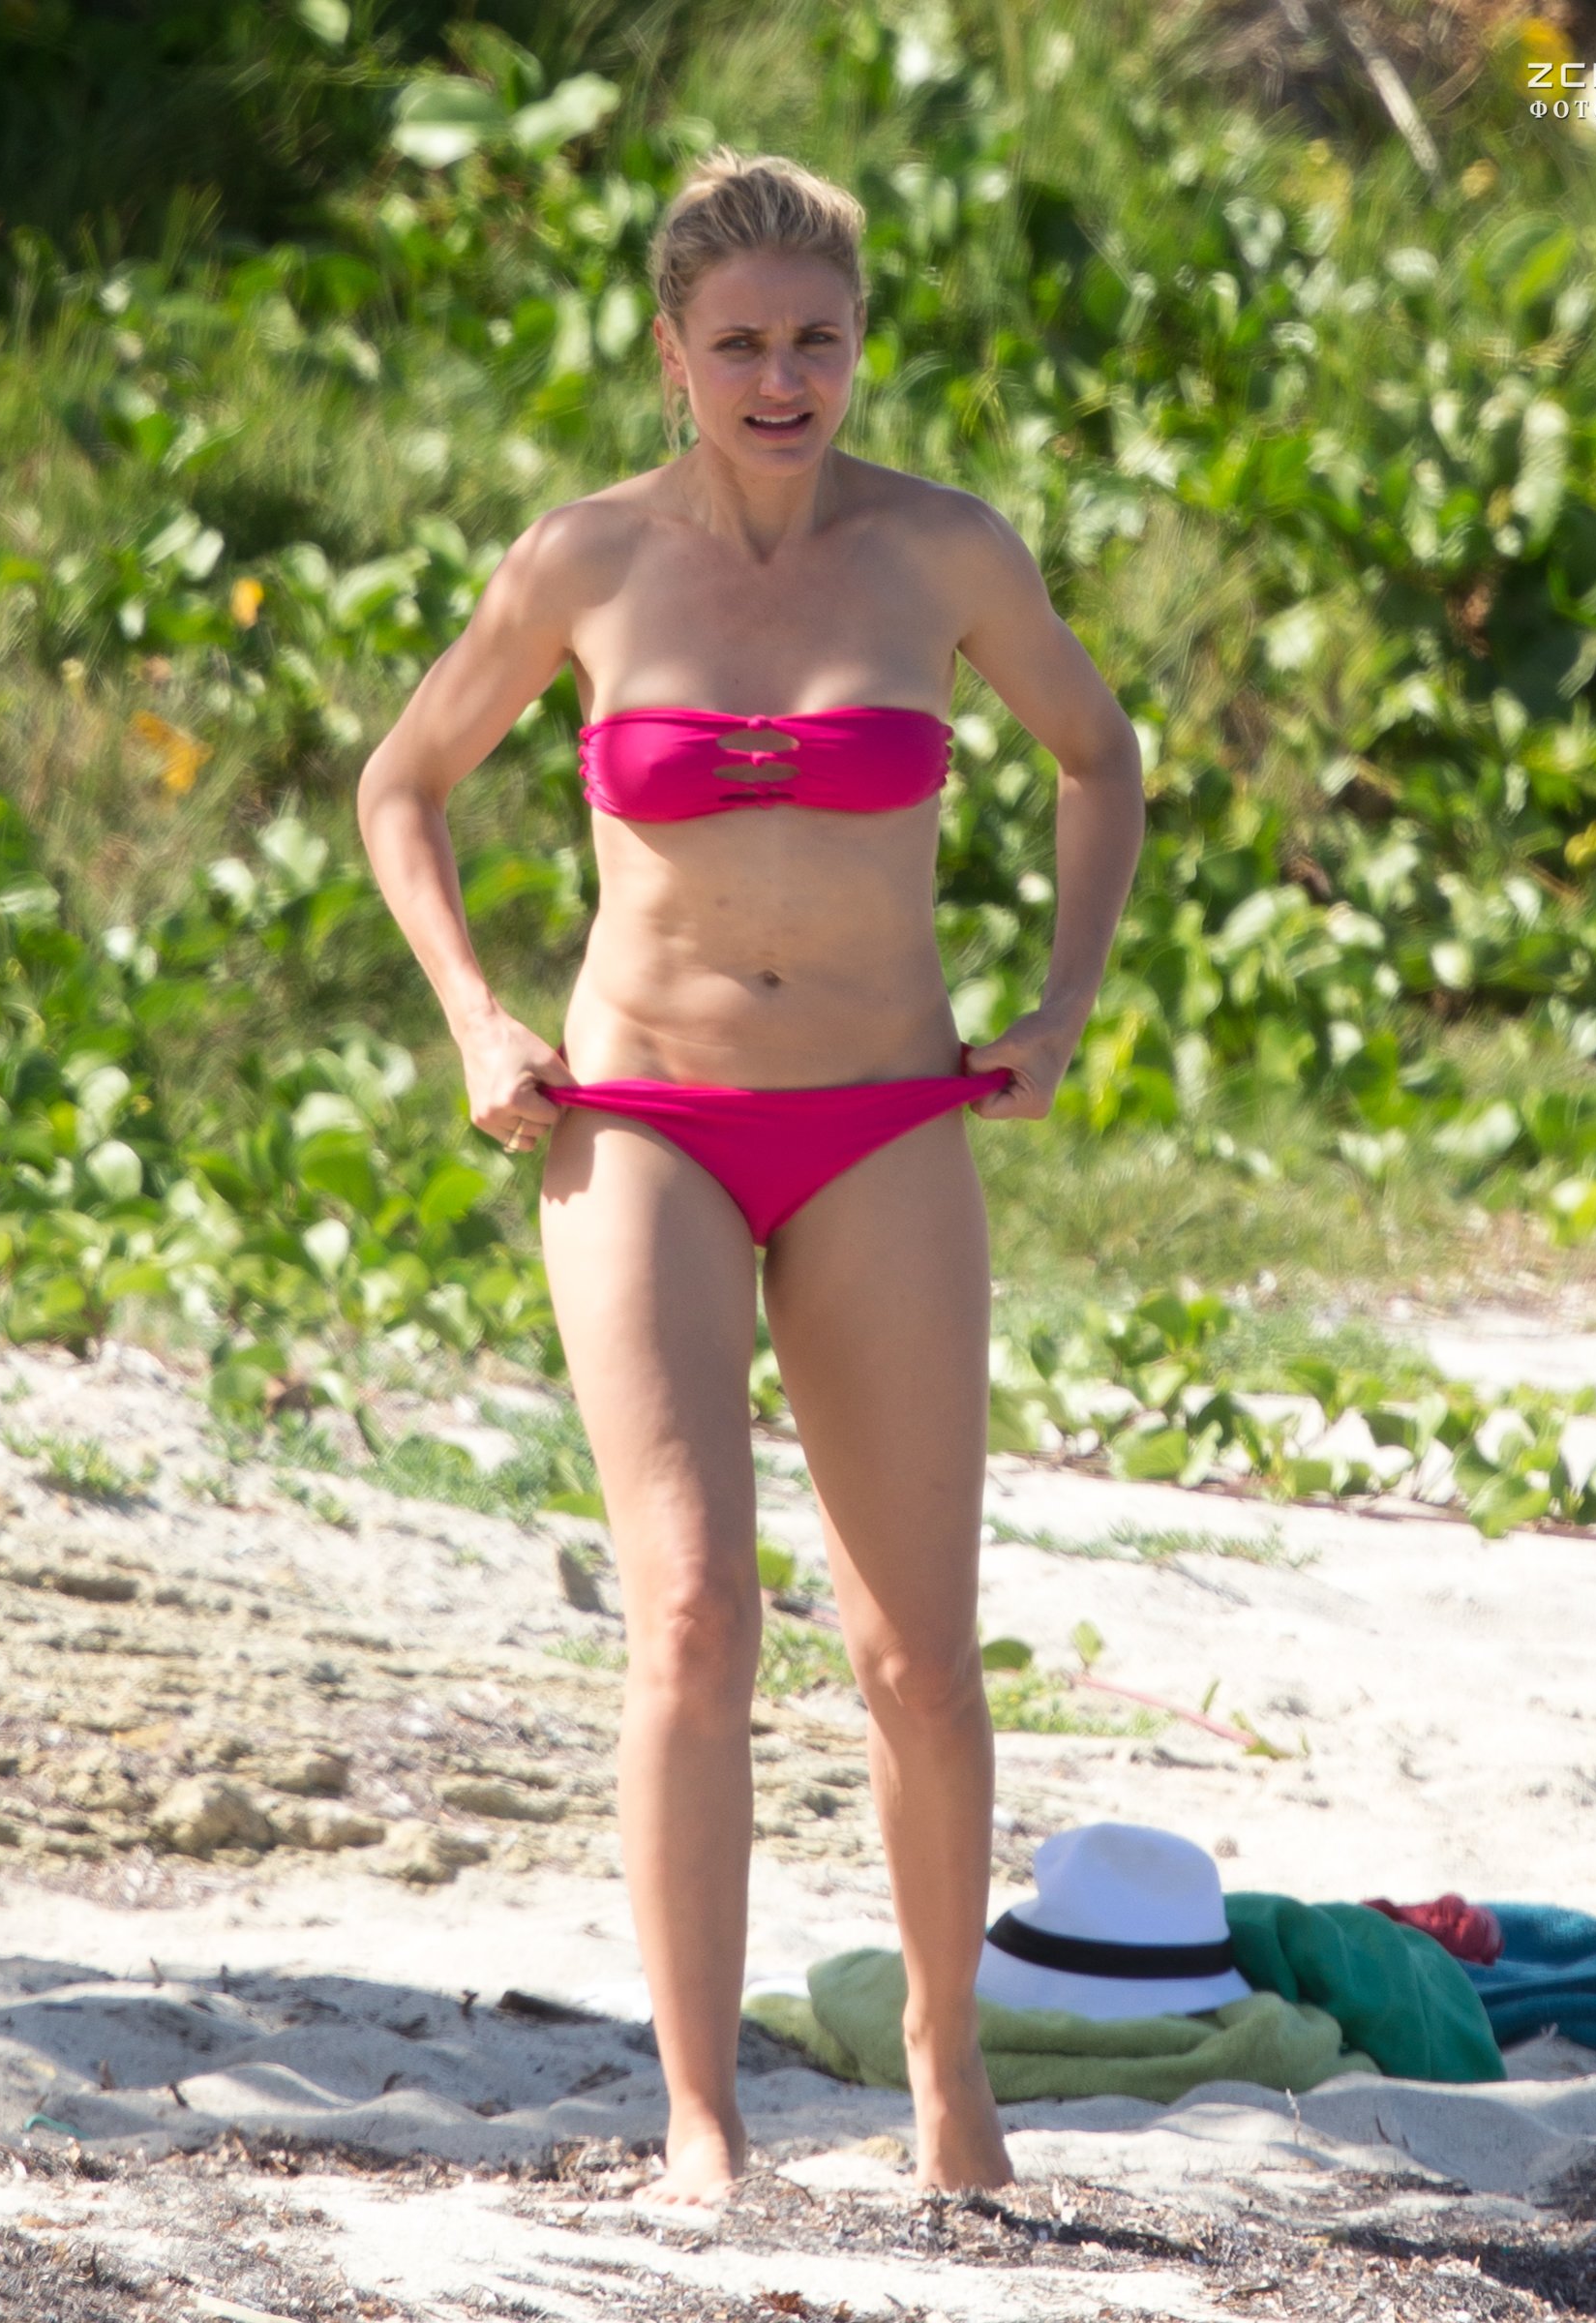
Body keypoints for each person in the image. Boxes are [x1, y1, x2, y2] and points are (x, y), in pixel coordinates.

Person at [357, 146, 1145, 2207]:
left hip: (884, 1121)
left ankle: (948, 2082)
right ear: (672, 355)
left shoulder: (945, 552)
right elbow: (402, 785)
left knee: (915, 1654)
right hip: (641, 1124)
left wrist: (1061, 1002)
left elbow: (1098, 754)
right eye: (740, 346)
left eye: (816, 340)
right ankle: (701, 2119)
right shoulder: (586, 561)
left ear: (859, 342)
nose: (781, 380)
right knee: (697, 1613)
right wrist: (476, 1019)